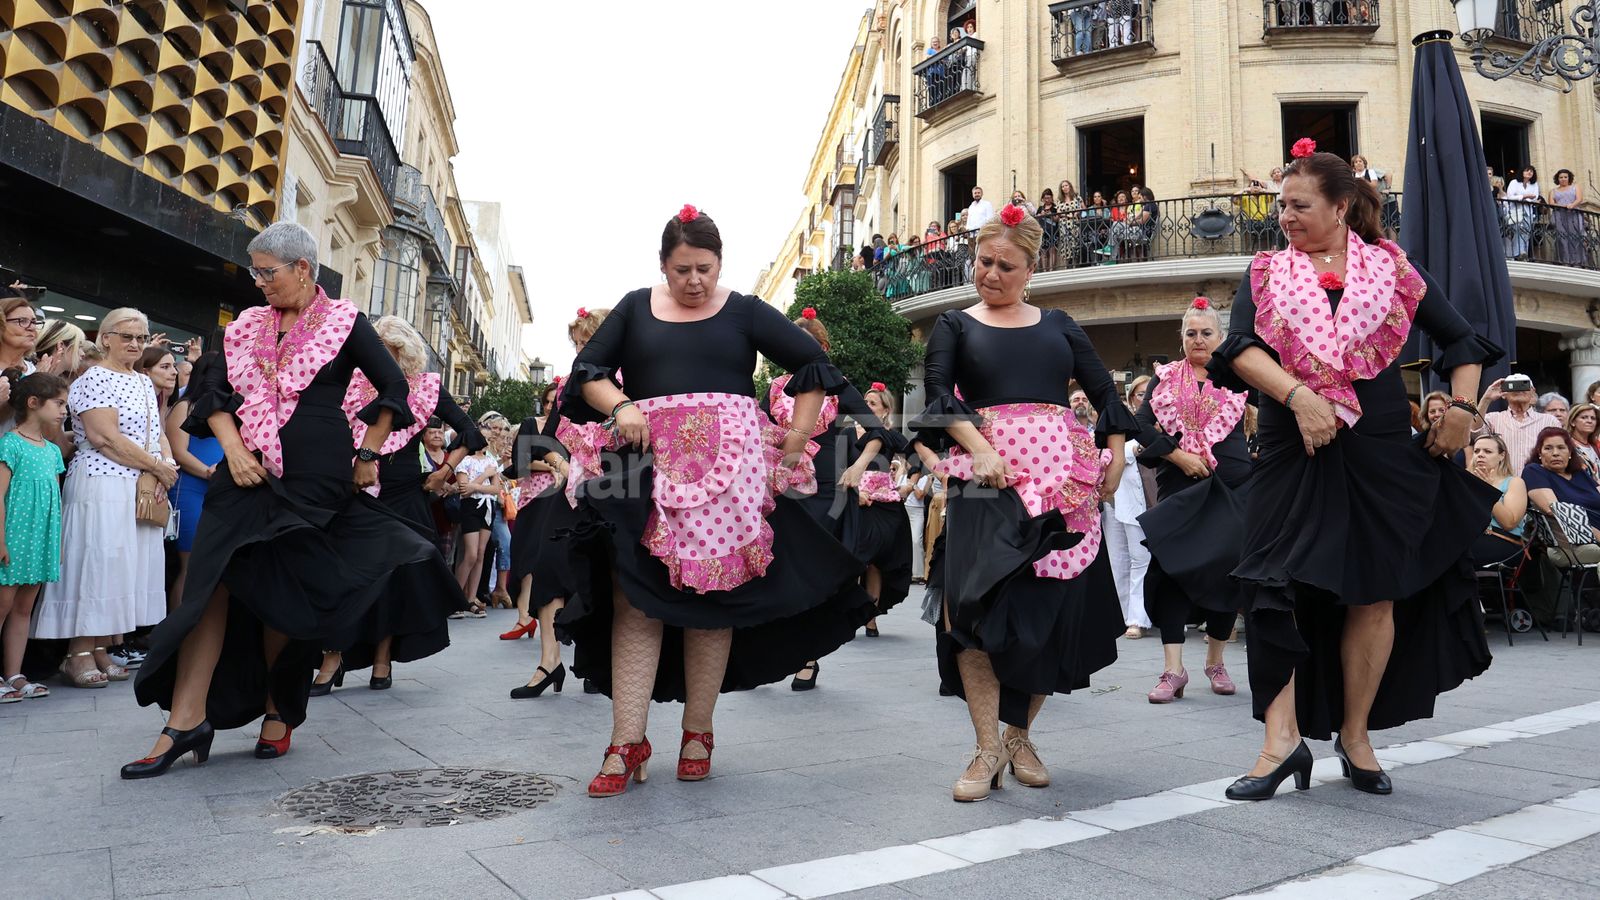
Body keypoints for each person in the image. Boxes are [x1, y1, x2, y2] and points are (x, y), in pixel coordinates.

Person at [1208, 140, 1500, 802]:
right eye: (1281, 205)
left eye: (1299, 205)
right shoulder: (1265, 272)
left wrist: (1460, 407)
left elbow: (1462, 340)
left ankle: (1356, 734)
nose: (1284, 216)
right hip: (1292, 445)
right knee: (1271, 585)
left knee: (1375, 590)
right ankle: (1279, 745)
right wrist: (1300, 395)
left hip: (1379, 450)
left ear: (1341, 207)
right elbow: (1243, 350)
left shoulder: (1392, 269)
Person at [558, 206, 880, 797]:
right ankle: (625, 741)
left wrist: (799, 437)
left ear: (719, 264)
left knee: (713, 600)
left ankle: (697, 732)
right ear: (663, 265)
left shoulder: (745, 309)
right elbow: (588, 371)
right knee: (635, 596)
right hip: (646, 463)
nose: (694, 281)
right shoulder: (634, 305)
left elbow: (814, 366)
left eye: (704, 269)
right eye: (682, 270)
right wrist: (621, 405)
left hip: (729, 469)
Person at [122, 221, 460, 779]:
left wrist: (368, 454)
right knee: (210, 585)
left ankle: (279, 710)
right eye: (255, 271)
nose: (258, 282)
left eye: (267, 271)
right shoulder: (245, 326)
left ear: (302, 268)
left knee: (284, 591)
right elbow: (212, 394)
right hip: (242, 468)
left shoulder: (344, 322)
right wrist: (231, 450)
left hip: (315, 477)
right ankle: (185, 721)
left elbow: (392, 390)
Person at [913, 203, 1135, 802]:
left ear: (1031, 269)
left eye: (1005, 266)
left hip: (1062, 479)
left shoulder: (1060, 323)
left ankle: (1017, 736)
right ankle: (985, 747)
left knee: (1049, 611)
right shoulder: (955, 325)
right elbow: (937, 396)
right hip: (985, 481)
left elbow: (1103, 390)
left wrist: (1112, 453)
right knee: (975, 609)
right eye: (983, 261)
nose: (990, 274)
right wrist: (979, 447)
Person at [310, 315, 481, 694]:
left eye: (386, 351)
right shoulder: (352, 382)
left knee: (391, 582)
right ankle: (332, 656)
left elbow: (470, 431)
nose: (375, 358)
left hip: (404, 494)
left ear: (404, 354)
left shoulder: (426, 388)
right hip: (352, 487)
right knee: (344, 577)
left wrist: (444, 472)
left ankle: (382, 660)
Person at [33, 308, 174, 689]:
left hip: (137, 485)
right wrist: (158, 468)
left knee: (122, 566)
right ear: (106, 337)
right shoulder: (94, 378)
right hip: (101, 482)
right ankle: (76, 652)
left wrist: (166, 462)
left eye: (141, 338)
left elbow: (156, 431)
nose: (134, 344)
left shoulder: (144, 382)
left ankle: (98, 646)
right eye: (126, 336)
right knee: (97, 562)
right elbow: (104, 437)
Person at [763, 308, 901, 691]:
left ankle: (807, 656)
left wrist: (857, 468)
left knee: (813, 568)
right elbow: (759, 429)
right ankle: (771, 647)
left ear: (822, 347)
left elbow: (877, 433)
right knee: (779, 565)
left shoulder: (837, 384)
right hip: (783, 484)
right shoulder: (775, 386)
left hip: (826, 486)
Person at [1133, 298, 1249, 703]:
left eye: (1206, 333)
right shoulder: (1163, 379)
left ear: (1220, 338)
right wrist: (1178, 455)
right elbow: (1142, 426)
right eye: (1191, 333)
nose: (1198, 340)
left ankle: (1215, 661)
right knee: (1169, 572)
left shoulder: (1239, 374)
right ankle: (1172, 669)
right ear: (1181, 339)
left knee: (1227, 572)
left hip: (1231, 488)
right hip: (1180, 488)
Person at [507, 307, 609, 698]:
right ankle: (549, 663)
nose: (581, 349)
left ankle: (595, 660)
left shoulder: (626, 382)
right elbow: (545, 441)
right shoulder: (569, 385)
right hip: (567, 492)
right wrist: (562, 462)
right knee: (548, 568)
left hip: (609, 490)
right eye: (578, 343)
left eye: (588, 341)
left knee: (599, 574)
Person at [0, 372, 68, 703]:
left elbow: (54, 500)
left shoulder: (52, 451)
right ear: (33, 403)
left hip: (39, 539)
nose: (63, 410)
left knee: (24, 608)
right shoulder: (9, 444)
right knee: (2, 605)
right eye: (58, 404)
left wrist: (55, 542)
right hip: (13, 536)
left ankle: (14, 674)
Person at [165, 352, 224, 613]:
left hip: (219, 491)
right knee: (191, 565)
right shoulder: (185, 406)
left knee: (210, 565)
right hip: (190, 489)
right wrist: (209, 473)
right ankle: (176, 633)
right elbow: (178, 452)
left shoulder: (226, 409)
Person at [1104, 375, 1152, 639]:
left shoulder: (1156, 422)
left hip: (1141, 501)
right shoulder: (1121, 419)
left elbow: (1140, 448)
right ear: (1131, 397)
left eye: (1148, 393)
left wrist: (1129, 449)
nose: (1144, 398)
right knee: (1118, 560)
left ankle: (1137, 617)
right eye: (1140, 394)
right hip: (1113, 499)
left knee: (1140, 559)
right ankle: (1122, 615)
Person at [451, 421, 502, 619]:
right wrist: (484, 477)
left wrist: (477, 485)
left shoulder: (491, 461)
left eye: (488, 438)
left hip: (488, 507)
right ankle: (454, 598)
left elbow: (496, 489)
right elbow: (464, 489)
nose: (485, 441)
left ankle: (471, 598)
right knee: (471, 554)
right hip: (471, 507)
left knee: (481, 554)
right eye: (483, 437)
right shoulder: (464, 460)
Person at [1522, 427, 1600, 538]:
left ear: (1570, 452)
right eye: (1548, 448)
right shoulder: (1534, 471)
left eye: (1561, 448)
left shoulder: (1579, 473)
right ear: (1540, 453)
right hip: (1578, 539)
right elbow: (1554, 510)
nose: (1555, 453)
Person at [1476, 374, 1558, 471]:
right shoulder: (1493, 418)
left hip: (1538, 481)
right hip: (1502, 481)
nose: (1519, 390)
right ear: (1504, 393)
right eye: (1513, 386)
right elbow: (1475, 433)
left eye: (1524, 385)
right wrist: (1486, 399)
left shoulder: (1549, 421)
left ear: (1532, 392)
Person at [1467, 434, 1527, 567]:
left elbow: (1509, 523)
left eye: (1487, 451)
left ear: (1502, 455)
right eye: (1477, 451)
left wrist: (1487, 490)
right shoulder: (1465, 480)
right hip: (1468, 538)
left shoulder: (1514, 482)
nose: (1480, 455)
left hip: (1502, 541)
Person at [1504, 166, 1541, 260]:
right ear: (1522, 172)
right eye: (1527, 170)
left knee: (1526, 232)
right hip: (1515, 211)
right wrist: (1524, 196)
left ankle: (1523, 253)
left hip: (1528, 212)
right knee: (1518, 230)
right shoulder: (1514, 182)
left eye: (1532, 171)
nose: (1530, 172)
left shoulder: (1534, 184)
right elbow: (1510, 197)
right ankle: (1519, 253)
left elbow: (1535, 197)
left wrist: (1522, 197)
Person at [1551, 169, 1586, 267]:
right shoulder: (1553, 191)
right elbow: (1551, 203)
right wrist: (1563, 206)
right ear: (1557, 179)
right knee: (1562, 238)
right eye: (1561, 177)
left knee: (1575, 236)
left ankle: (1577, 261)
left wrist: (1572, 205)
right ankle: (1565, 261)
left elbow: (1579, 199)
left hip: (1574, 214)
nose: (1563, 179)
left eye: (1565, 177)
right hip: (1559, 215)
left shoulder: (1575, 187)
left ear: (1569, 178)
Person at [1571, 404, 1600, 479]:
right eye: (1584, 417)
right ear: (1572, 422)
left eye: (1593, 418)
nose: (1589, 421)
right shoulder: (1567, 445)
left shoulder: (1595, 446)